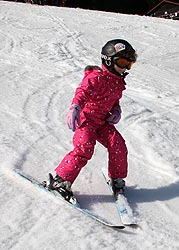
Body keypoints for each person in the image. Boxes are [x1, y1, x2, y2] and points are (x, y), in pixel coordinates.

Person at [47, 39, 137, 202]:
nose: (125, 68)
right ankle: (61, 180)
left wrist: (116, 110)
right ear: (109, 61)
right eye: (122, 62)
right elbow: (82, 92)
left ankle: (117, 180)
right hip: (86, 120)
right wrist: (75, 107)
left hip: (102, 122)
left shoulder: (118, 83)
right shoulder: (97, 77)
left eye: (129, 64)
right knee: (85, 148)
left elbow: (114, 101)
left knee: (118, 145)